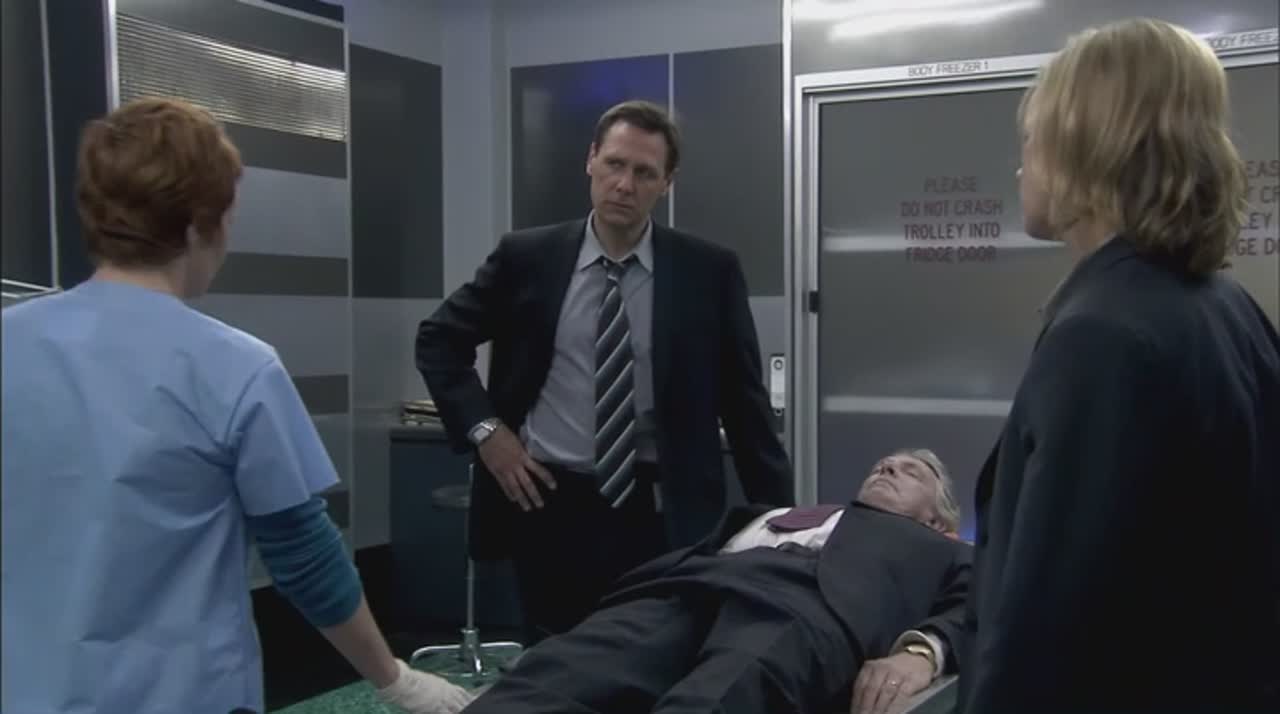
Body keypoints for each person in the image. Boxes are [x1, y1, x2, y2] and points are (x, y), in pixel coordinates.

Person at [0, 98, 473, 714]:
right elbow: (305, 557)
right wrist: (396, 680)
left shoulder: (12, 340)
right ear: (203, 222)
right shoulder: (235, 368)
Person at [958, 18, 1280, 714]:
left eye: (1031, 138)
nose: (1020, 166)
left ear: (1088, 147)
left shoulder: (1102, 340)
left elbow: (1050, 639)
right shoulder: (1227, 309)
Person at [416, 99, 793, 643]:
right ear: (590, 160)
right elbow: (439, 340)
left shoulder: (707, 272)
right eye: (615, 164)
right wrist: (488, 432)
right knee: (555, 659)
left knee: (658, 655)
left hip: (660, 510)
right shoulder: (528, 258)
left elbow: (745, 407)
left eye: (644, 173)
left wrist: (783, 526)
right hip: (547, 500)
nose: (624, 185)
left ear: (666, 183)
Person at [462, 449, 970, 714]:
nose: (888, 467)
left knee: (717, 696)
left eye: (910, 472)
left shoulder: (941, 549)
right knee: (558, 672)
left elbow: (986, 604)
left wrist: (921, 653)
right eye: (884, 463)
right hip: (687, 588)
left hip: (802, 606)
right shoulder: (791, 513)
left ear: (938, 521)